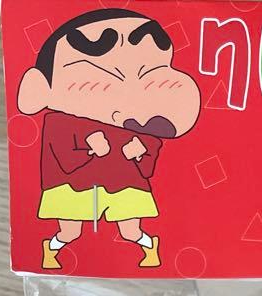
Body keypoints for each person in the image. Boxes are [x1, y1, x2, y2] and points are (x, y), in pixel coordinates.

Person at [16, 8, 201, 270]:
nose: (129, 91)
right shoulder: (59, 121)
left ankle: (150, 248)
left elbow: (149, 156)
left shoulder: (139, 123)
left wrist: (139, 152)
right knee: (71, 232)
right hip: (73, 187)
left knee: (131, 230)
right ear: (39, 89)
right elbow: (62, 158)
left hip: (125, 184)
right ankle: (51, 249)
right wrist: (89, 150)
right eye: (92, 75)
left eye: (151, 71)